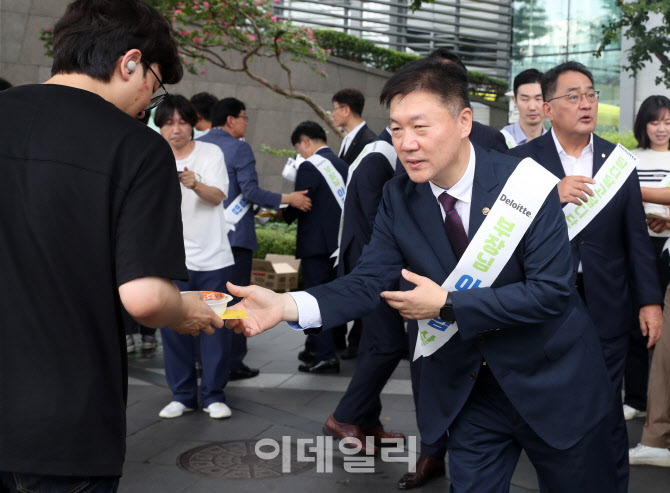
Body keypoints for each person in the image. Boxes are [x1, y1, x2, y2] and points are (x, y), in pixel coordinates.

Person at [227, 58, 617, 493]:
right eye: (396, 129)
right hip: (468, 393)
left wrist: (448, 304)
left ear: (463, 121)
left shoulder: (525, 183)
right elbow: (368, 279)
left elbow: (550, 293)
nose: (406, 143)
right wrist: (286, 304)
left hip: (555, 385)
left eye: (420, 127)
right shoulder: (399, 196)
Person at [0, 0, 223, 491]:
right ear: (130, 62)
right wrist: (185, 308)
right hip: (62, 423)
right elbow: (144, 297)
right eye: (155, 83)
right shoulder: (137, 147)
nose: (151, 102)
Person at [509, 61, 663, 493]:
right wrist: (549, 199)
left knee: (606, 407)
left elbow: (636, 239)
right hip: (544, 305)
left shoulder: (619, 162)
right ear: (548, 107)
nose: (586, 104)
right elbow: (502, 239)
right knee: (557, 405)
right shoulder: (520, 163)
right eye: (573, 96)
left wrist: (650, 303)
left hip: (606, 304)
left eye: (591, 95)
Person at [395, 47, 511, 490]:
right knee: (428, 372)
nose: (409, 140)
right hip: (423, 291)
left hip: (487, 300)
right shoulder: (405, 153)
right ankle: (430, 451)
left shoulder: (496, 149)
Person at [198, 97, 312, 381]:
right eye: (244, 117)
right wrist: (288, 198)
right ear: (230, 120)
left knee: (208, 299)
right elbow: (250, 192)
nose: (246, 123)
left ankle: (202, 361)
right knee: (235, 301)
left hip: (203, 237)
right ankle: (233, 362)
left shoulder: (198, 145)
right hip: (234, 238)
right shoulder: (239, 148)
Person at [324, 126, 407, 452]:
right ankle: (344, 416)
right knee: (389, 344)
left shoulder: (377, 152)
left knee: (375, 346)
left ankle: (368, 421)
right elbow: (378, 224)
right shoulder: (378, 158)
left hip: (368, 268)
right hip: (370, 272)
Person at [155, 95, 234, 420]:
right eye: (169, 123)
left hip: (214, 257)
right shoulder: (152, 155)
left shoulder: (210, 152)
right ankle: (183, 395)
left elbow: (218, 196)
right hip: (171, 260)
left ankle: (214, 394)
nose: (176, 129)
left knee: (217, 327)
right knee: (173, 329)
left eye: (182, 122)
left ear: (192, 124)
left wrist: (195, 183)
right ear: (159, 126)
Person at [280, 121, 348, 373]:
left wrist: (279, 214)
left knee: (315, 302)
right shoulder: (342, 164)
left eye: (299, 148)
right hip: (338, 246)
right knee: (333, 299)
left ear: (306, 142)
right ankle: (321, 346)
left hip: (316, 247)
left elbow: (301, 202)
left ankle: (325, 355)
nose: (300, 154)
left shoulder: (309, 165)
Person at [624, 95, 670, 421]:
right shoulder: (630, 158)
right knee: (634, 325)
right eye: (655, 122)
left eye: (668, 122)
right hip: (639, 247)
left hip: (669, 246)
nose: (662, 128)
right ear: (644, 125)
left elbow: (628, 193)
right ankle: (637, 399)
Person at [501, 68, 547, 148]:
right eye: (525, 99)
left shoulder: (555, 142)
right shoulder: (502, 139)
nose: (532, 107)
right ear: (515, 100)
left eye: (538, 99)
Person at [333, 88, 377, 165]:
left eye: (335, 109)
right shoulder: (347, 138)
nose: (333, 114)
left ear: (346, 110)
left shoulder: (370, 142)